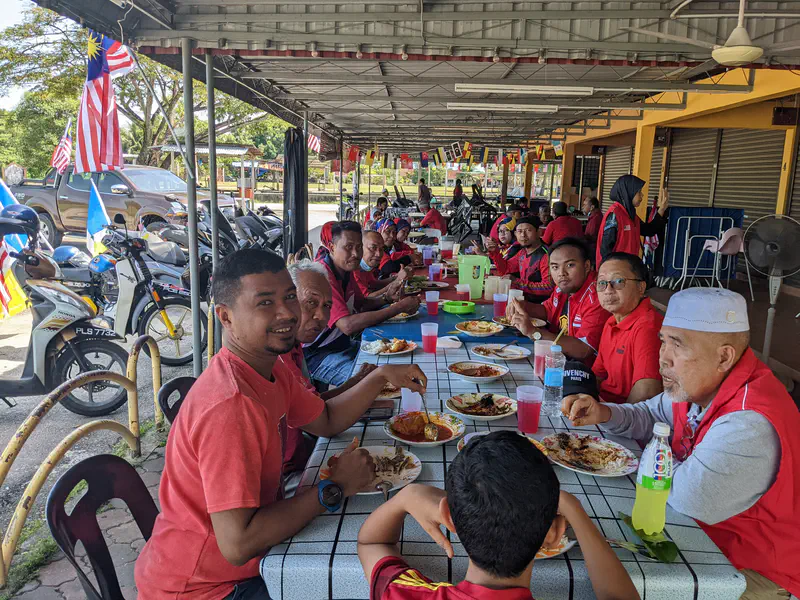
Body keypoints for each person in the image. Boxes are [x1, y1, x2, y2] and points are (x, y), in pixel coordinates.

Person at [134, 249, 429, 600]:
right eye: (265, 302)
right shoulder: (231, 405)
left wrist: (381, 375)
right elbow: (238, 544)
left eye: (289, 296)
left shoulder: (271, 368)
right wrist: (334, 487)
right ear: (225, 317)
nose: (287, 312)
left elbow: (328, 419)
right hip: (204, 587)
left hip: (246, 559)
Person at [564, 287, 800, 600]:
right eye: (663, 341)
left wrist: (634, 455)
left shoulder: (750, 420)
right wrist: (603, 411)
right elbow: (649, 415)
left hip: (750, 571)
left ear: (724, 356)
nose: (663, 357)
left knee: (604, 580)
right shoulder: (698, 385)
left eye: (677, 345)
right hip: (689, 533)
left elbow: (690, 497)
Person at [357, 431, 640, 600]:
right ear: (553, 534)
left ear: (449, 519)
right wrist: (573, 509)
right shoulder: (558, 528)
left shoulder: (404, 593)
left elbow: (371, 543)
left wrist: (406, 496)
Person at [281, 259, 417, 473]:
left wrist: (354, 382)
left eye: (327, 306)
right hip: (290, 476)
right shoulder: (276, 359)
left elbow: (312, 405)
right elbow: (326, 423)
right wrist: (380, 376)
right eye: (310, 303)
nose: (321, 316)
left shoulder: (291, 346)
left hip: (303, 452)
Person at [304, 221, 420, 386]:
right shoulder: (323, 276)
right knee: (381, 384)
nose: (355, 253)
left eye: (358, 247)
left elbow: (362, 304)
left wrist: (386, 298)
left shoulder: (345, 270)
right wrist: (397, 308)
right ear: (331, 246)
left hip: (342, 344)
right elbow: (348, 325)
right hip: (319, 355)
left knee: (400, 360)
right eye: (348, 247)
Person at [508, 238, 610, 363]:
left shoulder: (598, 295)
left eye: (570, 265)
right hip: (556, 358)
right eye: (555, 267)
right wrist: (523, 306)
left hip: (582, 372)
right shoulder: (563, 287)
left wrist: (534, 332)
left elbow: (583, 349)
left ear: (587, 266)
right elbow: (548, 310)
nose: (561, 273)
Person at [593, 253, 663, 404]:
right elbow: (598, 375)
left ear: (641, 287)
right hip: (605, 408)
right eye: (602, 283)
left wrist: (614, 418)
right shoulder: (612, 322)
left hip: (626, 417)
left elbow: (647, 392)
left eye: (618, 281)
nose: (608, 290)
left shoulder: (648, 326)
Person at [597, 175, 668, 266]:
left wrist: (661, 209)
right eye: (638, 192)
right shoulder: (614, 215)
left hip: (628, 268)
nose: (642, 195)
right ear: (628, 192)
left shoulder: (631, 216)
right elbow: (605, 250)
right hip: (615, 272)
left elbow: (649, 230)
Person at [486, 216, 552, 303]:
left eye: (528, 230)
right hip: (524, 301)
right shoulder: (522, 253)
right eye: (519, 231)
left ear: (539, 232)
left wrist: (517, 282)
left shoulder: (546, 255)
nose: (523, 235)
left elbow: (548, 287)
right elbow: (506, 269)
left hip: (541, 306)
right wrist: (495, 253)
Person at [355, 230, 407, 300]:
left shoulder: (366, 267)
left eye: (381, 249)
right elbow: (367, 298)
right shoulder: (353, 270)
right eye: (373, 248)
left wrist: (395, 277)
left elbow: (374, 284)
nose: (378, 254)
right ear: (359, 248)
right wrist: (396, 282)